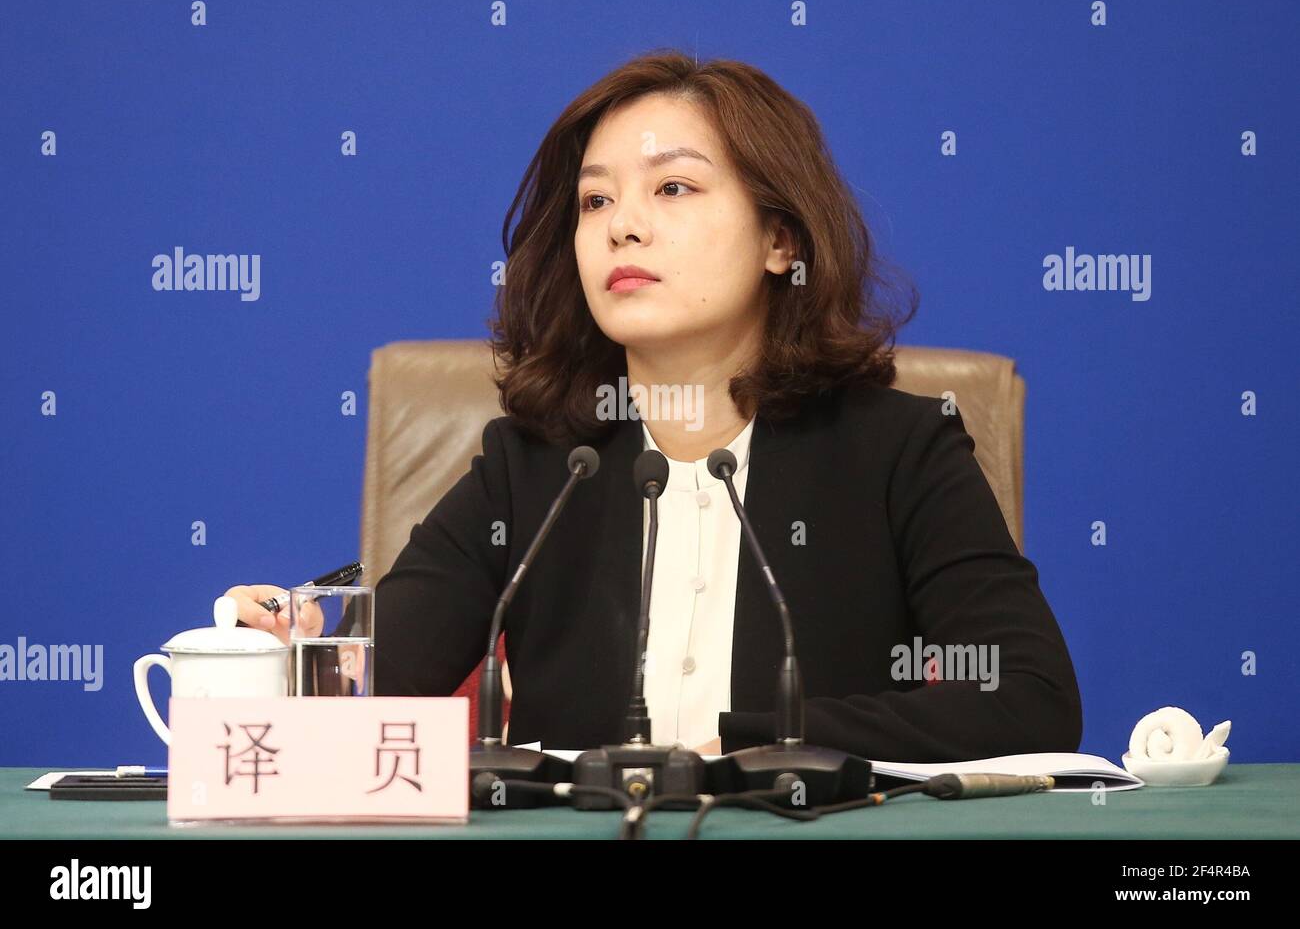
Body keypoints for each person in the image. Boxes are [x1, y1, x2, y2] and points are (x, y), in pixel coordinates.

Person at [226, 49, 1083, 762]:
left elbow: (1028, 700)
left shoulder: (898, 452)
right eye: (596, 199)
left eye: (672, 188)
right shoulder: (533, 466)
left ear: (780, 240)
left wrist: (752, 747)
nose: (621, 226)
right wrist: (295, 649)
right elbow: (374, 690)